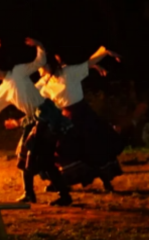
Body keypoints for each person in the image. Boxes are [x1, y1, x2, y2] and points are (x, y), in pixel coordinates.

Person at [0, 39, 75, 206]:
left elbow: (40, 61)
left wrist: (39, 46)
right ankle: (31, 194)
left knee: (42, 158)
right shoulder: (2, 90)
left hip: (46, 117)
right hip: (34, 120)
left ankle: (62, 195)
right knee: (25, 156)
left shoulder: (18, 71)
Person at [37, 47, 125, 192]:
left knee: (94, 147)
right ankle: (61, 181)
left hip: (82, 114)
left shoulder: (69, 72)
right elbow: (32, 96)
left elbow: (88, 62)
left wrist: (104, 51)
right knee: (63, 150)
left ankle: (106, 182)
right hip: (65, 119)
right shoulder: (45, 83)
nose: (38, 70)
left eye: (41, 66)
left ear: (49, 65)